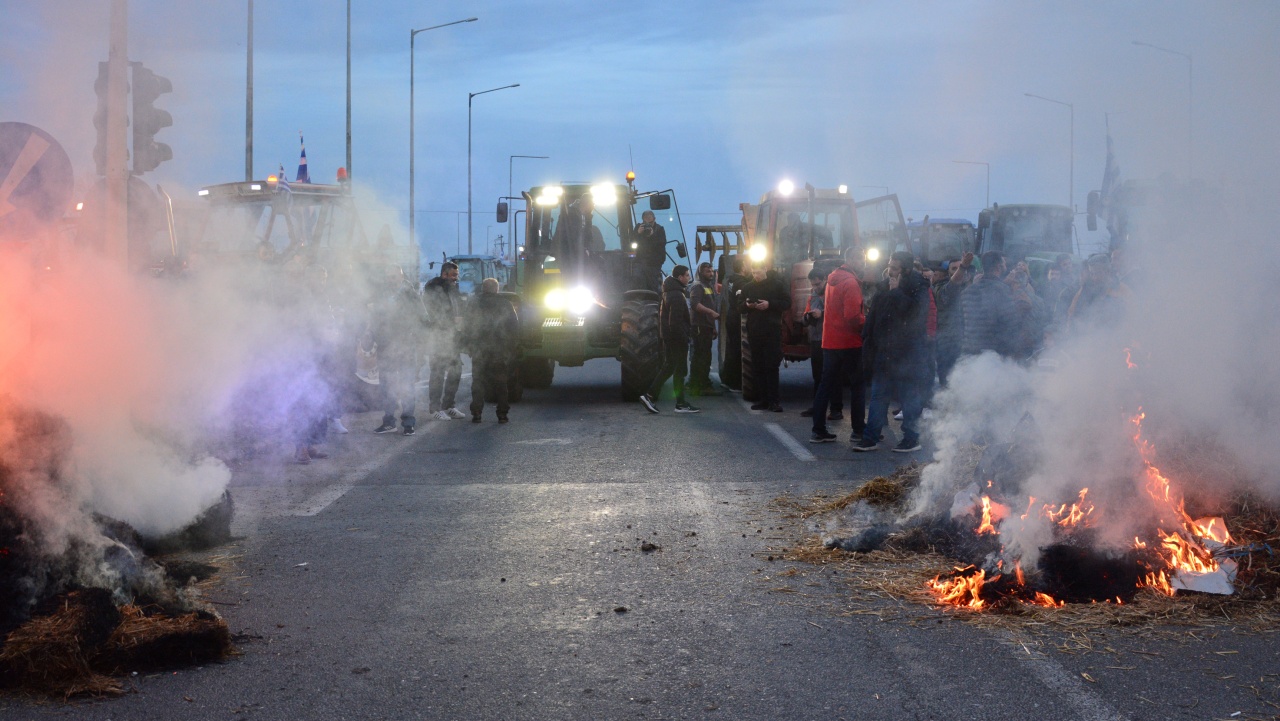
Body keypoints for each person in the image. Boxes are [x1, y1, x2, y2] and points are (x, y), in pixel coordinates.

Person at [854, 251, 931, 453]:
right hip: (883, 352)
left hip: (907, 354)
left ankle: (911, 438)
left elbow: (917, 314)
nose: (890, 270)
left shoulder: (918, 286)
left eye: (894, 267)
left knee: (908, 397)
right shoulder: (884, 284)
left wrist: (897, 292)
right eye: (889, 265)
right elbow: (875, 313)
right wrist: (867, 337)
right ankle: (870, 437)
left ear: (905, 269)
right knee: (878, 396)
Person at [809, 247, 866, 442]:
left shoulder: (832, 278)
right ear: (854, 259)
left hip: (830, 341)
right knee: (857, 385)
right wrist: (867, 321)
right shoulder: (850, 283)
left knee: (825, 385)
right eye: (863, 258)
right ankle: (858, 430)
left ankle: (818, 430)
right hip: (849, 341)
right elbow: (852, 316)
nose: (865, 262)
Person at [370, 265, 427, 435]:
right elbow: (374, 318)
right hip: (386, 345)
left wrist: (414, 336)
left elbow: (423, 318)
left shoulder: (411, 295)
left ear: (401, 277)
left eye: (394, 276)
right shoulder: (381, 294)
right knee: (387, 385)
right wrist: (373, 337)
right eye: (389, 276)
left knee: (407, 384)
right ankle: (388, 422)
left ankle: (408, 422)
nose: (391, 280)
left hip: (406, 346)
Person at [641, 265, 699, 414]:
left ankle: (654, 396)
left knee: (670, 367)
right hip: (676, 338)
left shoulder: (671, 292)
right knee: (678, 370)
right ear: (680, 277)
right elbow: (675, 322)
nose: (688, 278)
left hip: (670, 337)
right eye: (686, 275)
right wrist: (685, 337)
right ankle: (677, 403)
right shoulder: (676, 295)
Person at [737, 262, 791, 412]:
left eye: (759, 272)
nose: (756, 276)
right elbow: (739, 306)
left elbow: (787, 302)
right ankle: (763, 400)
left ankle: (774, 401)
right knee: (758, 367)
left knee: (771, 366)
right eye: (754, 273)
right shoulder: (748, 287)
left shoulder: (777, 285)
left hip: (772, 331)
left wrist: (769, 304)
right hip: (754, 331)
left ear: (765, 269)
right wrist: (747, 306)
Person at [465, 278, 518, 423]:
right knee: (501, 383)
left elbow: (467, 327)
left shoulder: (474, 303)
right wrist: (511, 347)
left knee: (478, 382)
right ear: (496, 289)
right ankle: (502, 414)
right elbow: (514, 326)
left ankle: (476, 412)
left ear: (483, 288)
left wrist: (469, 346)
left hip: (479, 349)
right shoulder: (505, 303)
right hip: (498, 350)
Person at [423, 262, 465, 420]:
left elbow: (458, 307)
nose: (456, 278)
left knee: (456, 371)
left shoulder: (453, 289)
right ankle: (434, 409)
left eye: (457, 274)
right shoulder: (433, 287)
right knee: (438, 372)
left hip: (452, 337)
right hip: (438, 336)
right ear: (445, 274)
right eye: (453, 275)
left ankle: (449, 406)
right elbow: (432, 311)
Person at [959, 251, 1019, 359]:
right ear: (998, 267)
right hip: (992, 354)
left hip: (969, 351)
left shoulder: (967, 291)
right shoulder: (1003, 290)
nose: (1006, 266)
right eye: (1004, 263)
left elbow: (961, 323)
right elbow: (1010, 324)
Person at [934, 253, 974, 385]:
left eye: (960, 268)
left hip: (969, 344)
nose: (958, 271)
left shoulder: (973, 288)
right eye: (954, 269)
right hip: (948, 344)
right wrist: (962, 267)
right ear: (948, 273)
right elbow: (949, 291)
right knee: (947, 383)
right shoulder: (940, 288)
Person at [1067, 253, 1131, 332]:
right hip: (1086, 337)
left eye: (1097, 273)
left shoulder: (1121, 290)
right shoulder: (1085, 289)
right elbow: (1072, 313)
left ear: (1107, 271)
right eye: (1091, 273)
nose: (1094, 277)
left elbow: (1131, 317)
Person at [687, 261, 721, 395]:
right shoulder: (697, 286)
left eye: (712, 271)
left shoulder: (709, 286)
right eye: (708, 271)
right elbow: (695, 304)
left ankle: (700, 383)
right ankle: (698, 384)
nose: (711, 274)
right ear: (701, 273)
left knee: (705, 356)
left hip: (707, 326)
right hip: (699, 326)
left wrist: (713, 327)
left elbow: (711, 305)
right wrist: (711, 313)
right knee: (699, 357)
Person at [799, 267, 828, 419]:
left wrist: (822, 313)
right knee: (817, 375)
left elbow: (837, 312)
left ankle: (834, 409)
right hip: (816, 339)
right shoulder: (813, 295)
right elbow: (806, 312)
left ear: (825, 279)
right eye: (813, 285)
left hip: (829, 339)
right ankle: (817, 406)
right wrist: (806, 318)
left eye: (817, 284)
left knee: (829, 376)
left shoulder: (832, 293)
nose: (815, 288)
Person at [718, 256, 749, 391]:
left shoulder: (731, 279)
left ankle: (728, 379)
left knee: (732, 348)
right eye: (748, 265)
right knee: (738, 351)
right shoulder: (742, 283)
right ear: (742, 267)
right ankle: (736, 383)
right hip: (737, 317)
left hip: (731, 315)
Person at [634, 210, 668, 291]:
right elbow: (631, 242)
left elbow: (661, 243)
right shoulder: (638, 227)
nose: (648, 219)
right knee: (639, 283)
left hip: (654, 263)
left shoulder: (659, 229)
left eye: (650, 217)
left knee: (653, 286)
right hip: (640, 261)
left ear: (654, 218)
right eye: (646, 217)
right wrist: (638, 233)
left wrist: (652, 235)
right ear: (642, 219)